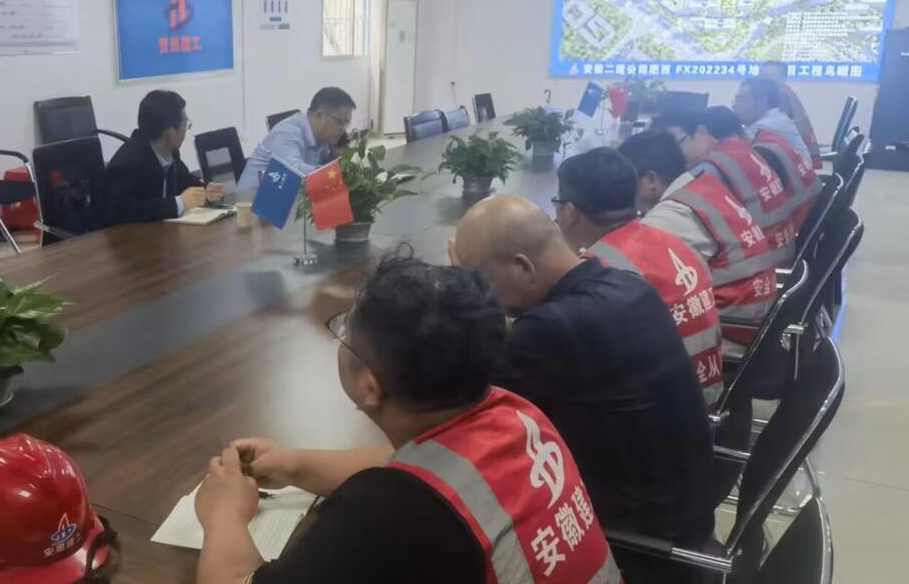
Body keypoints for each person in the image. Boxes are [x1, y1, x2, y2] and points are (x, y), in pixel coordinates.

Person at [193, 248, 620, 584]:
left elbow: (404, 496)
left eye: (346, 332)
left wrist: (223, 514)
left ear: (370, 386)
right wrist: (293, 464)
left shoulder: (388, 515)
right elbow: (423, 470)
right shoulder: (515, 412)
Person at [450, 196, 714, 584]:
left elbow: (455, 402)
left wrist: (463, 300)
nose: (485, 295)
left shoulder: (548, 331)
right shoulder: (626, 284)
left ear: (523, 266)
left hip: (642, 550)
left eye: (483, 282)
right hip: (689, 513)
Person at [555, 147, 724, 406]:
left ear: (568, 212)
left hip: (662, 409)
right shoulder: (671, 240)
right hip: (705, 394)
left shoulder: (600, 271)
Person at [618, 131, 778, 345]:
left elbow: (619, 272)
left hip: (730, 335)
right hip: (755, 317)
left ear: (651, 180)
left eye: (626, 182)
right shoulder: (702, 186)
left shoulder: (671, 215)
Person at [654, 107, 795, 267]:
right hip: (777, 253)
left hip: (757, 266)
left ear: (701, 132)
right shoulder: (739, 149)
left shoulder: (707, 174)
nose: (672, 155)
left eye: (676, 144)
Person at [104, 90, 223, 225]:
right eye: (185, 125)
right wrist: (178, 203)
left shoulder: (170, 152)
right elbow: (121, 211)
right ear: (171, 133)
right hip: (131, 237)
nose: (185, 130)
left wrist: (206, 192)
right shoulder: (128, 162)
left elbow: (186, 182)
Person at [237, 87, 356, 195]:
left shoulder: (323, 136)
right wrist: (337, 173)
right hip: (250, 203)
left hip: (287, 198)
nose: (343, 129)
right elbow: (295, 172)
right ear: (319, 116)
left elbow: (324, 165)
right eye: (340, 122)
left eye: (347, 123)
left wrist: (338, 156)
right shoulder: (286, 133)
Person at [732, 76, 812, 166]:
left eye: (741, 99)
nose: (734, 105)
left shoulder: (767, 125)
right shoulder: (774, 118)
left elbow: (730, 151)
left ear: (763, 101)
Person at [760, 61, 822, 169]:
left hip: (795, 162)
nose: (762, 81)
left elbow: (766, 129)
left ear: (783, 79)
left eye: (769, 76)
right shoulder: (786, 91)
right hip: (795, 156)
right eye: (760, 76)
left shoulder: (780, 96)